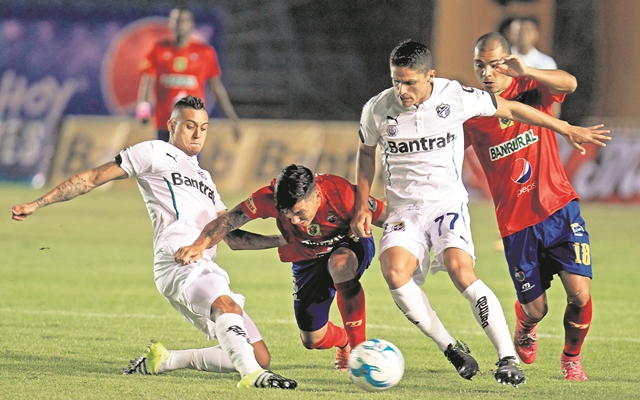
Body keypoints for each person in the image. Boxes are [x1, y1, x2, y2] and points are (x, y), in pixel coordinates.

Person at [350, 39, 609, 387]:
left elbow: (522, 106)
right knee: (395, 274)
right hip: (412, 211)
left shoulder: (459, 97)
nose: (402, 89)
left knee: (465, 272)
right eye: (397, 80)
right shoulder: (378, 109)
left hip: (456, 206)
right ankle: (452, 347)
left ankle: (513, 357)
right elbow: (366, 153)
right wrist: (361, 205)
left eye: (410, 81)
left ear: (430, 75)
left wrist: (565, 128)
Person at [11, 95, 296, 390]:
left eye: (204, 127)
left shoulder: (204, 178)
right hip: (178, 258)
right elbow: (94, 177)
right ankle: (252, 378)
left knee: (258, 354)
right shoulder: (155, 151)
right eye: (189, 126)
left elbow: (232, 237)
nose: (197, 134)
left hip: (201, 263)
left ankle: (166, 360)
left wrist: (281, 240)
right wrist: (39, 203)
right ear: (171, 125)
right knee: (225, 306)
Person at [464, 32, 610, 381]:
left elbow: (570, 83)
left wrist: (526, 69)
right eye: (479, 66)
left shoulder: (530, 88)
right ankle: (526, 324)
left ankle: (571, 358)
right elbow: (449, 155)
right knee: (537, 308)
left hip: (559, 207)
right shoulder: (471, 114)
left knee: (579, 292)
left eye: (495, 64)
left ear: (508, 61)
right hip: (516, 225)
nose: (487, 73)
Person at [173, 164, 385, 372]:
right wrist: (200, 243)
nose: (294, 220)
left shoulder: (343, 195)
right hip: (307, 258)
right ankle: (345, 341)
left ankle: (361, 353)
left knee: (340, 263)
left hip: (348, 244)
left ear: (317, 196)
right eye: (287, 214)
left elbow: (390, 217)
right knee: (312, 339)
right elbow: (228, 223)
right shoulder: (268, 198)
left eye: (299, 212)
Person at [136, 7, 241, 142]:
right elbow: (147, 83)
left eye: (183, 20)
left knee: (188, 163)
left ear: (191, 24)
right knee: (163, 163)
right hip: (165, 123)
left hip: (192, 125)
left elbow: (216, 88)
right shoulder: (159, 50)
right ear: (170, 24)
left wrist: (233, 119)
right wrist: (143, 111)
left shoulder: (205, 53)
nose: (179, 24)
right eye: (175, 20)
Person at [513, 17, 561, 118]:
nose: (523, 34)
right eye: (519, 30)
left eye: (528, 30)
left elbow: (554, 97)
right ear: (511, 33)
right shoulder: (503, 60)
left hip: (539, 117)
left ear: (536, 35)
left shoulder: (547, 62)